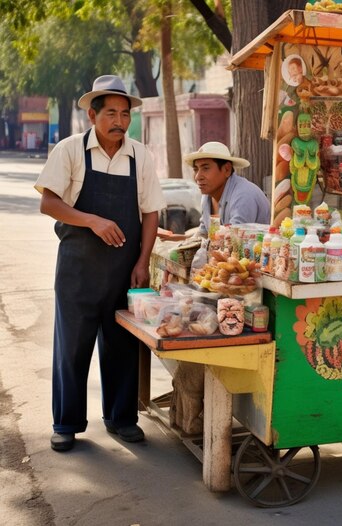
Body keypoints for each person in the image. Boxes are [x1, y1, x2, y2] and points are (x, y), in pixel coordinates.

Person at [35, 75, 166, 452]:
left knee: (122, 346)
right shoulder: (71, 150)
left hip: (124, 270)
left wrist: (142, 260)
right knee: (72, 347)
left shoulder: (140, 155)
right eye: (111, 113)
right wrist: (93, 220)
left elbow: (151, 212)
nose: (119, 122)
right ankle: (66, 422)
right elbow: (49, 203)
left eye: (125, 114)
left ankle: (121, 419)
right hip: (78, 268)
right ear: (93, 115)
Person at [183, 141, 270, 233]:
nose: (197, 177)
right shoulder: (207, 197)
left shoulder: (243, 195)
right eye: (196, 169)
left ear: (226, 169)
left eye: (205, 168)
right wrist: (176, 239)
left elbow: (234, 241)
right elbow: (205, 235)